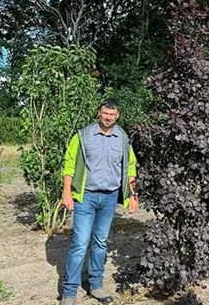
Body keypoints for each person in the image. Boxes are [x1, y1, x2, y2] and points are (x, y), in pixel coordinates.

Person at [60, 98, 139, 305]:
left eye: (112, 115)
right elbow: (69, 164)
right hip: (86, 196)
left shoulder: (123, 138)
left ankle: (96, 286)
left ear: (117, 115)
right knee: (79, 243)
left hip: (110, 197)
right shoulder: (83, 136)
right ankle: (69, 293)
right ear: (99, 112)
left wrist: (132, 195)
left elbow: (131, 167)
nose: (108, 117)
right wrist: (66, 192)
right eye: (105, 113)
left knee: (101, 242)